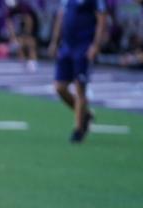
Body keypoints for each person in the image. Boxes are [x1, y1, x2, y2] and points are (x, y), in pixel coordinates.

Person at [48, 0, 107, 143]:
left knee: (80, 87)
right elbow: (61, 16)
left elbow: (102, 19)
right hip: (67, 46)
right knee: (59, 87)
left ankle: (79, 129)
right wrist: (55, 41)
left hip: (83, 46)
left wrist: (95, 45)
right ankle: (85, 114)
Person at [4, 0, 40, 72]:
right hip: (21, 24)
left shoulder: (23, 7)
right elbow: (9, 23)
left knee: (30, 42)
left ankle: (33, 62)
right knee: (19, 43)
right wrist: (13, 36)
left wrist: (27, 33)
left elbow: (29, 20)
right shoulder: (10, 9)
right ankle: (23, 62)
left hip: (33, 22)